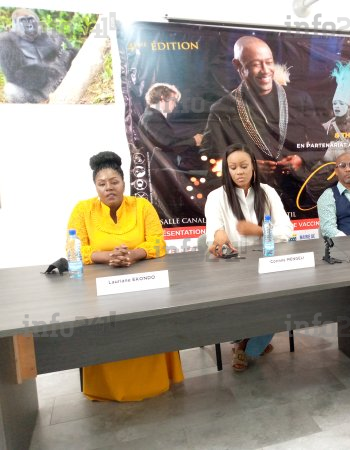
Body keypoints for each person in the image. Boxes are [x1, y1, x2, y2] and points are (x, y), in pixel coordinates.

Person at [67, 151, 184, 401]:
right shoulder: (83, 210)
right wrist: (107, 256)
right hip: (98, 288)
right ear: (95, 187)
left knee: (149, 322)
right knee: (106, 329)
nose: (109, 188)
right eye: (102, 184)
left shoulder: (142, 206)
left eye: (114, 182)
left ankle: (154, 380)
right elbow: (73, 248)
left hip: (143, 282)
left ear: (124, 182)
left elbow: (158, 242)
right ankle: (107, 388)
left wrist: (134, 254)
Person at [200, 36, 328, 215]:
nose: (265, 70)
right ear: (238, 65)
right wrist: (246, 167)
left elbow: (320, 140)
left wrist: (301, 159)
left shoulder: (299, 99)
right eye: (255, 64)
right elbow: (211, 158)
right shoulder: (222, 110)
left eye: (269, 62)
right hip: (249, 199)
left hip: (297, 193)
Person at [204, 143, 294, 371]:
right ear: (227, 170)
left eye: (244, 166)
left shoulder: (267, 192)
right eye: (233, 167)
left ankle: (246, 345)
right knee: (240, 302)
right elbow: (214, 232)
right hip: (234, 267)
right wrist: (218, 238)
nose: (239, 172)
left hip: (268, 263)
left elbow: (287, 230)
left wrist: (259, 231)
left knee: (280, 300)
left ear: (253, 166)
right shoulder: (216, 197)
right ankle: (251, 342)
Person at [139, 82, 203, 171]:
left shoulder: (150, 116)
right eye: (174, 101)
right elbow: (169, 144)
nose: (175, 105)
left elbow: (169, 141)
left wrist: (192, 139)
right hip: (161, 170)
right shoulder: (152, 118)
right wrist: (194, 140)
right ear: (162, 98)